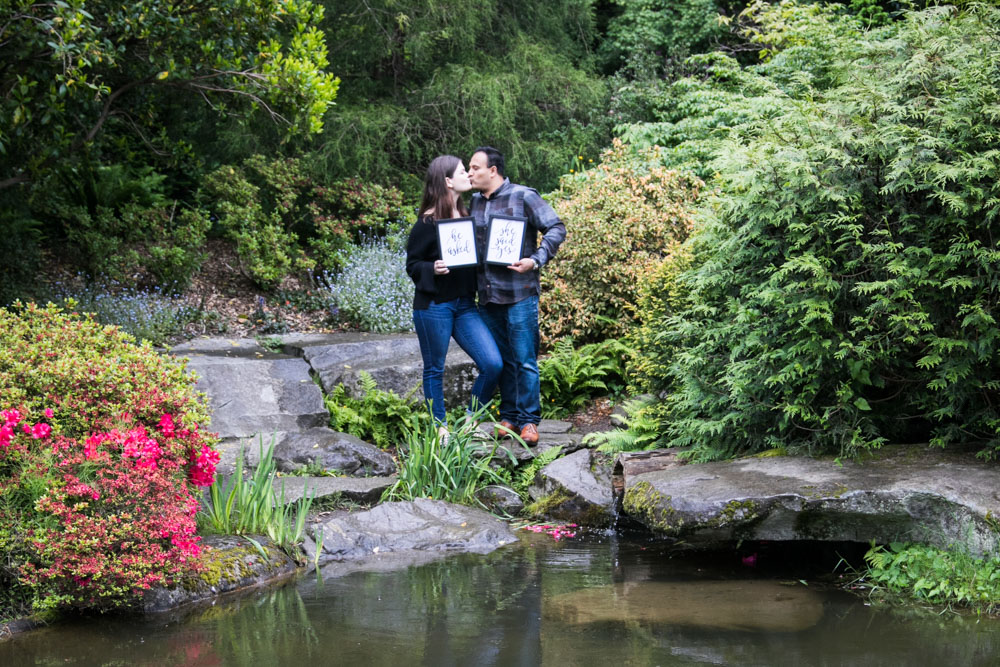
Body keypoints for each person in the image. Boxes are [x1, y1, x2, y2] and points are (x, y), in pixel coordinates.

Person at [467, 146, 566, 445]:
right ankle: (508, 416)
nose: (469, 173)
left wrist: (536, 260)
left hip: (520, 292)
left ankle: (529, 421)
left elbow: (556, 227)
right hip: (487, 295)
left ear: (493, 170)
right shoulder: (473, 202)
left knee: (524, 359)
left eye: (474, 168)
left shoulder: (524, 196)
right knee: (502, 360)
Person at [406, 155, 503, 441]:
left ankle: (472, 421)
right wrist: (431, 268)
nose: (469, 175)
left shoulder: (469, 215)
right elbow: (412, 265)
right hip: (434, 306)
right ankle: (441, 429)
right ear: (448, 181)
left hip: (464, 306)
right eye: (464, 171)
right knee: (434, 368)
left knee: (493, 364)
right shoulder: (426, 223)